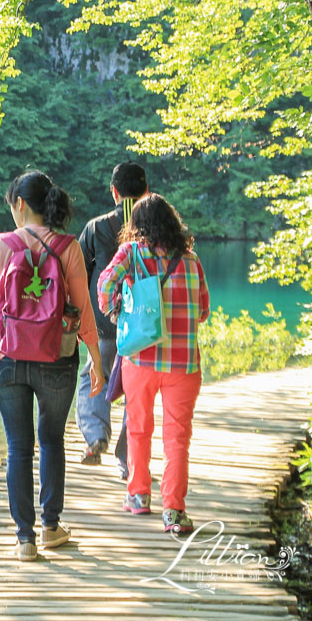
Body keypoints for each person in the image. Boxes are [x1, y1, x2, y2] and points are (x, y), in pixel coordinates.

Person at [0, 171, 103, 562]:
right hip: (57, 359)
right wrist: (97, 360)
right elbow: (82, 311)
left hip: (8, 360)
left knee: (18, 447)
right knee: (50, 441)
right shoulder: (68, 247)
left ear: (19, 204)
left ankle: (24, 540)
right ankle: (51, 527)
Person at [97, 193, 210, 534]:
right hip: (183, 364)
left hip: (141, 358)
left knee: (138, 427)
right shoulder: (191, 261)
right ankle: (174, 511)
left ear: (137, 225)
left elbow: (104, 290)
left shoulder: (131, 254)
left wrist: (119, 309)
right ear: (173, 223)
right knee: (177, 438)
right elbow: (203, 311)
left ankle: (139, 496)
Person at [75, 163, 148, 478]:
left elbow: (79, 273)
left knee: (93, 378)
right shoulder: (155, 228)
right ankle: (126, 460)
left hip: (104, 326)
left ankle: (95, 438)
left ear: (114, 191)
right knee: (137, 392)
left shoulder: (96, 228)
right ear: (145, 192)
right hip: (144, 328)